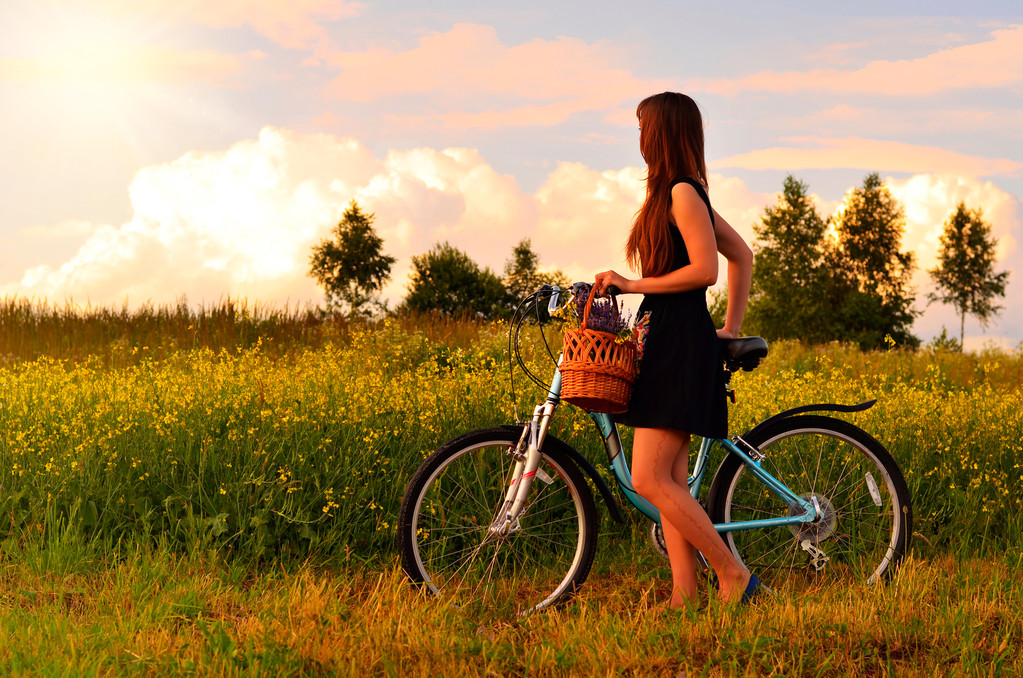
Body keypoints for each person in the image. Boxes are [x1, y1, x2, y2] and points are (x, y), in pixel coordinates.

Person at [593, 92, 757, 608]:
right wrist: (728, 327)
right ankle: (684, 596)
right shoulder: (679, 193)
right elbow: (743, 257)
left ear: (662, 131)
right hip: (667, 335)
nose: (638, 136)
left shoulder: (685, 193)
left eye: (643, 126)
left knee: (646, 477)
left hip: (679, 340)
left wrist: (632, 283)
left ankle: (732, 574)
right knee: (669, 481)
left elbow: (707, 270)